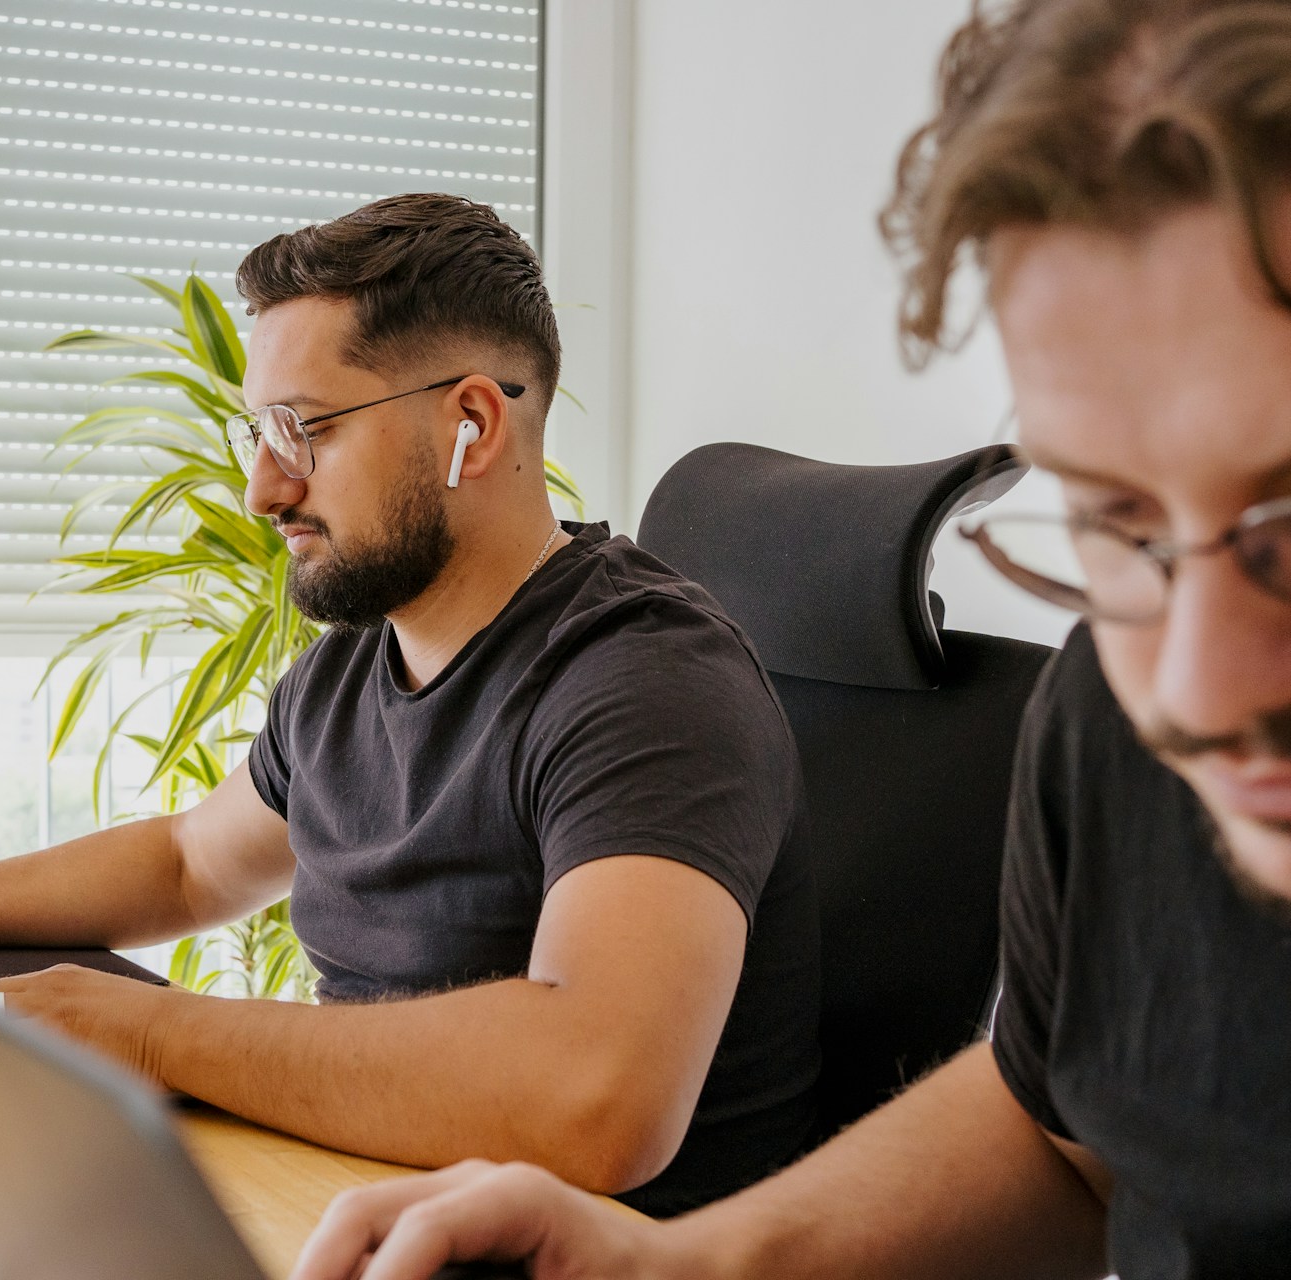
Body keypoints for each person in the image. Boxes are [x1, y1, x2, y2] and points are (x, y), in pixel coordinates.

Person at [288, 3, 1291, 1278]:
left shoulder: (631, 670)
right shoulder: (1116, 711)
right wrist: (684, 1264)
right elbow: (1064, 1128)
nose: (1196, 685)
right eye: (1115, 517)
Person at [0, 193, 823, 1214]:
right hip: (349, 1205)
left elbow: (597, 1095)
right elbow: (185, 861)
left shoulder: (645, 679)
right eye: (257, 431)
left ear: (471, 424)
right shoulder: (346, 669)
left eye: (303, 430)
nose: (262, 487)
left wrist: (153, 1029)